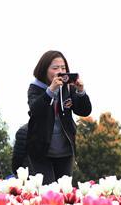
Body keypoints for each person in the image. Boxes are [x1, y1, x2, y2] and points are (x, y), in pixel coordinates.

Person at [26, 50, 92, 184]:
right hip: (41, 151)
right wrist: (50, 91)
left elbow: (84, 111)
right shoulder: (35, 88)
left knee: (63, 192)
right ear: (44, 69)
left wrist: (80, 91)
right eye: (55, 68)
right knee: (48, 191)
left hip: (65, 150)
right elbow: (35, 110)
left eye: (63, 68)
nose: (60, 71)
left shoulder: (67, 87)